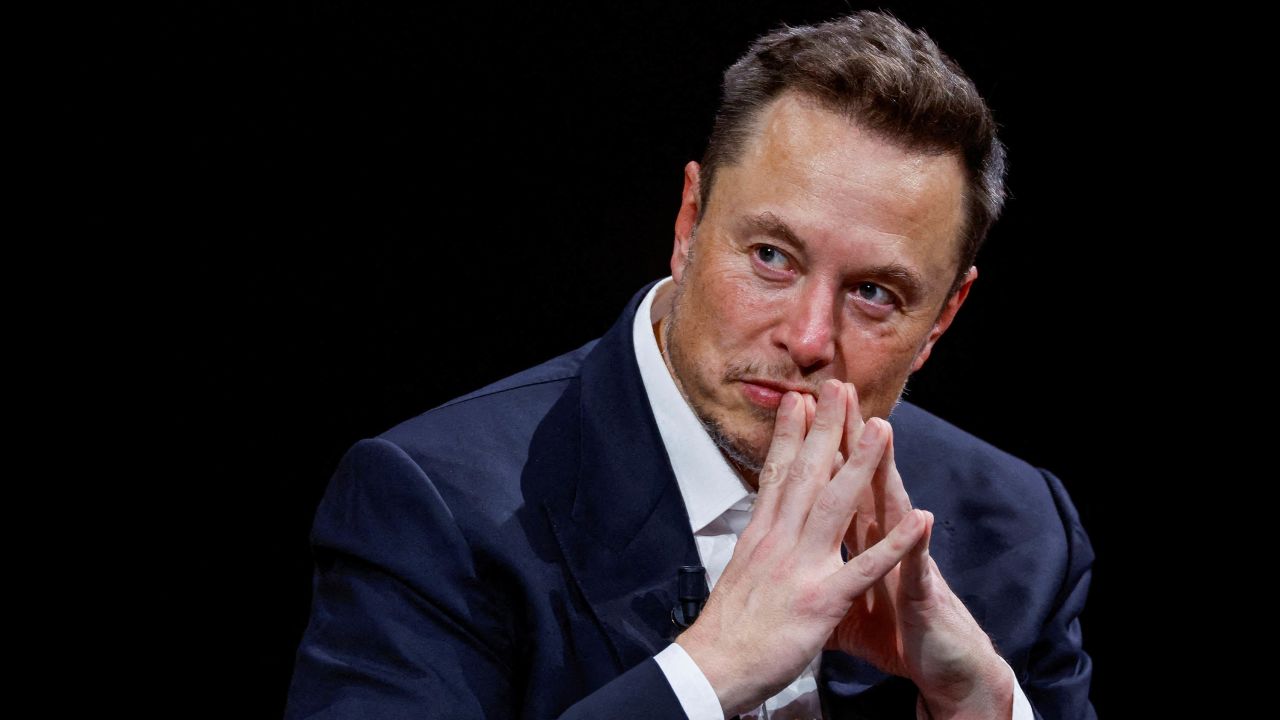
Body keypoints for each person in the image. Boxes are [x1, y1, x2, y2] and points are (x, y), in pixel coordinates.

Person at [284, 10, 1095, 719]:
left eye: (876, 293)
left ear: (943, 318)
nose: (810, 338)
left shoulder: (1020, 530)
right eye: (772, 255)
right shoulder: (434, 510)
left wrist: (979, 704)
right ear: (690, 220)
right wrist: (707, 675)